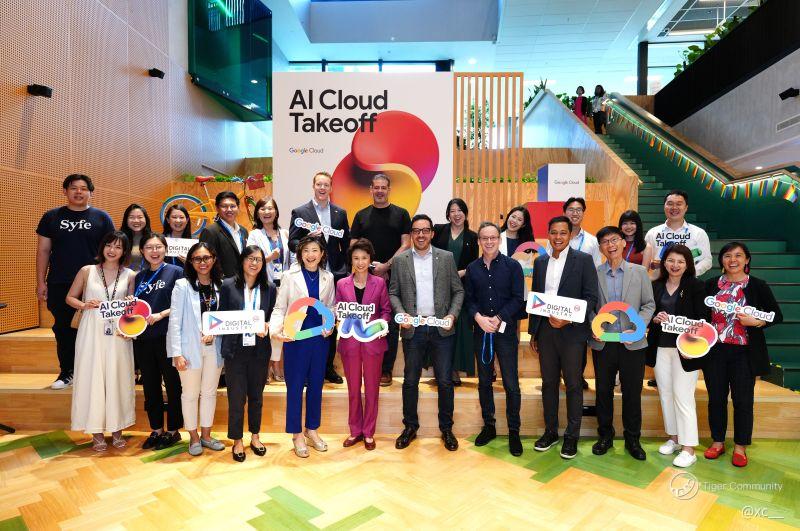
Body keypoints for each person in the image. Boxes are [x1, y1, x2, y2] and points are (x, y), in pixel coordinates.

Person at [703, 242, 782, 467]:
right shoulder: (710, 285)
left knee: (743, 401)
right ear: (721, 260)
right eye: (727, 255)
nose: (733, 260)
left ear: (747, 260)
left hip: (745, 352)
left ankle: (740, 447)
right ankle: (717, 442)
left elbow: (776, 315)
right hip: (715, 351)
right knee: (716, 399)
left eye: (738, 255)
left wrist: (757, 322)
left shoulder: (757, 285)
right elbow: (700, 316)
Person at [390, 215, 464, 452]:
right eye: (416, 231)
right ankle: (410, 427)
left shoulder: (446, 257)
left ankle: (447, 429)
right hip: (414, 329)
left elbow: (458, 291)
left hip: (441, 328)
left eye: (425, 230)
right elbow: (393, 293)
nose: (420, 235)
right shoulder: (400, 260)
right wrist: (402, 315)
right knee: (410, 380)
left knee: (445, 381)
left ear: (432, 233)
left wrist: (452, 316)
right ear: (411, 234)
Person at [528, 216, 598, 459]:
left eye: (563, 233)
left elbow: (591, 297)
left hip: (573, 332)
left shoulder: (584, 260)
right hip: (546, 331)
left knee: (573, 384)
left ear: (570, 235)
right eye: (554, 232)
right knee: (548, 383)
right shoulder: (540, 262)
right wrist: (534, 331)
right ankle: (550, 432)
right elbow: (536, 296)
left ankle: (571, 436)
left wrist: (569, 319)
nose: (558, 237)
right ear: (548, 234)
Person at [36, 174, 115, 390]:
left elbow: (111, 251)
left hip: (94, 283)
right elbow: (43, 251)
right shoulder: (51, 217)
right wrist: (41, 282)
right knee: (63, 329)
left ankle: (94, 372)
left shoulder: (102, 218)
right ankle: (67, 372)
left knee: (96, 328)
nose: (79, 192)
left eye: (83, 188)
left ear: (91, 193)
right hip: (60, 282)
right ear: (65, 191)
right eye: (73, 188)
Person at [66, 231, 137, 451]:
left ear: (124, 251)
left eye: (118, 246)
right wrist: (84, 305)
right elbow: (70, 297)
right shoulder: (87, 271)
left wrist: (130, 302)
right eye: (109, 245)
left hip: (118, 333)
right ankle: (96, 431)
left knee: (118, 378)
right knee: (92, 377)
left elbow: (132, 308)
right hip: (91, 330)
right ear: (102, 247)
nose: (112, 250)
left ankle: (117, 429)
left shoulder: (130, 275)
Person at [588, 226, 655, 461]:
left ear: (623, 242)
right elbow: (588, 305)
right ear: (600, 248)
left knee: (632, 393)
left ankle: (632, 439)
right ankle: (605, 436)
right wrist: (594, 324)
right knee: (603, 392)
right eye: (605, 241)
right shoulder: (594, 273)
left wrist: (638, 327)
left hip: (632, 343)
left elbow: (649, 304)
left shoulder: (639, 272)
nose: (611, 245)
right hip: (603, 343)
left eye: (614, 239)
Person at [270, 235, 335, 458]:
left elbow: (331, 307)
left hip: (319, 338)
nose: (310, 255)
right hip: (296, 338)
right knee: (295, 387)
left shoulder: (328, 277)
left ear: (322, 253)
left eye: (315, 250)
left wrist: (330, 325)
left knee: (316, 385)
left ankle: (312, 430)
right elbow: (280, 308)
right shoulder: (289, 276)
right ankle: (296, 434)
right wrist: (276, 330)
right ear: (300, 254)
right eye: (306, 250)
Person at [465, 222, 526, 456]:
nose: (489, 241)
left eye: (493, 237)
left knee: (511, 383)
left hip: (505, 332)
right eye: (484, 238)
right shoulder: (472, 268)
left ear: (499, 240)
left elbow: (518, 298)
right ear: (479, 241)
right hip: (481, 331)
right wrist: (479, 318)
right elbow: (469, 300)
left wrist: (500, 318)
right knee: (484, 382)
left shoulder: (513, 266)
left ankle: (514, 431)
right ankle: (489, 426)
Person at [349, 173, 412, 387]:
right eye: (376, 187)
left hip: (393, 277)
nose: (380, 191)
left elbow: (406, 244)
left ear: (389, 190)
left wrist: (386, 266)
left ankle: (386, 369)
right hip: (364, 277)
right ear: (371, 189)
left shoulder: (401, 214)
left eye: (383, 187)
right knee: (365, 320)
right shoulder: (361, 215)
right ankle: (365, 367)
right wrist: (370, 267)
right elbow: (354, 246)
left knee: (389, 324)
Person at [647, 245, 705, 467]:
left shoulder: (696, 286)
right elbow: (649, 311)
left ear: (688, 264)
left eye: (680, 261)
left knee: (683, 396)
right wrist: (655, 318)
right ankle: (674, 438)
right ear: (664, 262)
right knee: (666, 394)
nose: (675, 265)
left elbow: (703, 319)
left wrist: (692, 348)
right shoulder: (656, 285)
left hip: (685, 351)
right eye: (671, 260)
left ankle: (689, 448)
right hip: (661, 348)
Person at [289, 171, 350, 384]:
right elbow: (292, 242)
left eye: (326, 185)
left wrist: (344, 269)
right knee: (308, 318)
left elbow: (346, 243)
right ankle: (307, 369)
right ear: (313, 186)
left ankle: (327, 368)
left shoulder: (340, 213)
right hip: (310, 273)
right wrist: (307, 241)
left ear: (331, 188)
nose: (322, 188)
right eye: (319, 184)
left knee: (330, 320)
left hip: (334, 274)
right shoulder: (300, 212)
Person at [167, 242, 226, 457]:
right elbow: (174, 321)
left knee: (209, 393)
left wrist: (215, 333)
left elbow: (225, 318)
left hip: (214, 347)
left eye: (206, 258)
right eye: (197, 259)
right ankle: (193, 437)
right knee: (190, 394)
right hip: (188, 349)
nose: (203, 262)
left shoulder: (221, 285)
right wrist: (177, 353)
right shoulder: (182, 285)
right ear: (190, 262)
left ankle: (206, 436)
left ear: (214, 259)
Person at [219, 245, 276, 462]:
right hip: (235, 349)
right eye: (250, 258)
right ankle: (237, 440)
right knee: (236, 397)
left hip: (259, 349)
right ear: (242, 260)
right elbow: (221, 316)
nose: (254, 263)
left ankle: (255, 436)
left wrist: (268, 325)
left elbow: (273, 316)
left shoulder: (269, 288)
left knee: (256, 396)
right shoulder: (227, 285)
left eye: (258, 259)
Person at [335, 239, 392, 451]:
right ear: (351, 260)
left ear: (370, 260)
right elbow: (339, 309)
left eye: (364, 258)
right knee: (352, 388)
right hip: (350, 343)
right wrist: (338, 316)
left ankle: (368, 432)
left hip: (372, 343)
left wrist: (382, 325)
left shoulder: (380, 283)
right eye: (356, 258)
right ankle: (355, 430)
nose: (360, 262)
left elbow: (386, 311)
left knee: (371, 389)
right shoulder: (342, 284)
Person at [134, 233, 184, 451]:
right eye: (149, 247)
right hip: (144, 339)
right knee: (150, 385)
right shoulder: (139, 277)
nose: (154, 251)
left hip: (168, 337)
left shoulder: (176, 272)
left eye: (158, 247)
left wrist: (161, 315)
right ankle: (156, 429)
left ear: (165, 249)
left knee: (173, 384)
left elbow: (183, 303)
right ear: (142, 251)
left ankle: (173, 430)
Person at [549, 197, 602, 389]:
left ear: (583, 213)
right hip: (559, 297)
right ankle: (561, 373)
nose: (575, 213)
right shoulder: (555, 238)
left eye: (579, 209)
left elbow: (596, 269)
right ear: (565, 212)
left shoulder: (592, 241)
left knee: (579, 339)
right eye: (571, 209)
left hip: (581, 297)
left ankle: (577, 375)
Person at [247, 197, 293, 382]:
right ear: (257, 213)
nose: (267, 212)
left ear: (276, 212)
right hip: (264, 286)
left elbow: (292, 259)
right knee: (264, 325)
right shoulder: (254, 234)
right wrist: (268, 258)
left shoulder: (285, 233)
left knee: (280, 325)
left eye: (270, 208)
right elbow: (250, 260)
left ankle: (277, 365)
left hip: (284, 286)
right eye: (263, 209)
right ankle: (264, 366)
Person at [432, 198, 478, 384]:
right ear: (448, 214)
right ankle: (440, 367)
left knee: (458, 327)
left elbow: (474, 264)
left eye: (460, 210)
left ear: (465, 213)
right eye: (453, 211)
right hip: (438, 285)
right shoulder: (438, 230)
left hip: (461, 286)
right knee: (438, 324)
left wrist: (459, 273)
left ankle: (453, 369)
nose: (456, 214)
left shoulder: (473, 237)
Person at [644, 190, 711, 279]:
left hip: (687, 282)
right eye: (670, 204)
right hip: (658, 282)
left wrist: (687, 273)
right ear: (664, 207)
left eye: (679, 204)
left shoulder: (698, 233)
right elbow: (646, 261)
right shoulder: (652, 233)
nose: (674, 207)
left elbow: (707, 260)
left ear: (686, 208)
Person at [199, 191, 249, 278]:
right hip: (221, 283)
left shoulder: (243, 231)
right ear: (217, 208)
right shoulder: (210, 232)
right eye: (224, 206)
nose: (229, 209)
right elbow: (205, 262)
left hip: (243, 281)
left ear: (238, 208)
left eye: (233, 206)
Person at [120, 204, 152, 272]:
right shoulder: (119, 239)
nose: (136, 221)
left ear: (146, 219)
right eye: (131, 217)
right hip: (125, 276)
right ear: (126, 220)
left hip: (149, 277)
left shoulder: (153, 239)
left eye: (140, 217)